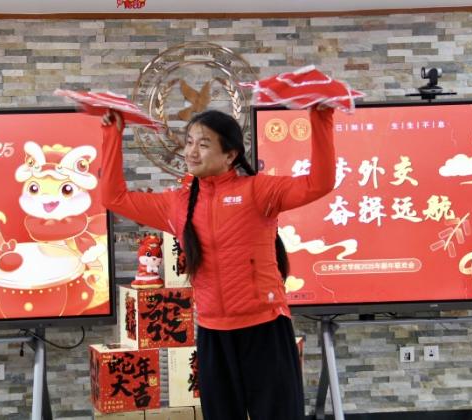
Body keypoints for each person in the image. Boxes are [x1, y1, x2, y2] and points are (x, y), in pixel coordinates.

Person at [100, 105, 335, 420]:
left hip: (265, 330)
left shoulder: (258, 191)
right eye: (189, 143)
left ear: (230, 155)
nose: (191, 152)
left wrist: (320, 119)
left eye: (203, 144)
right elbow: (113, 198)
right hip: (213, 333)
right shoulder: (177, 204)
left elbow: (319, 183)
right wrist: (112, 133)